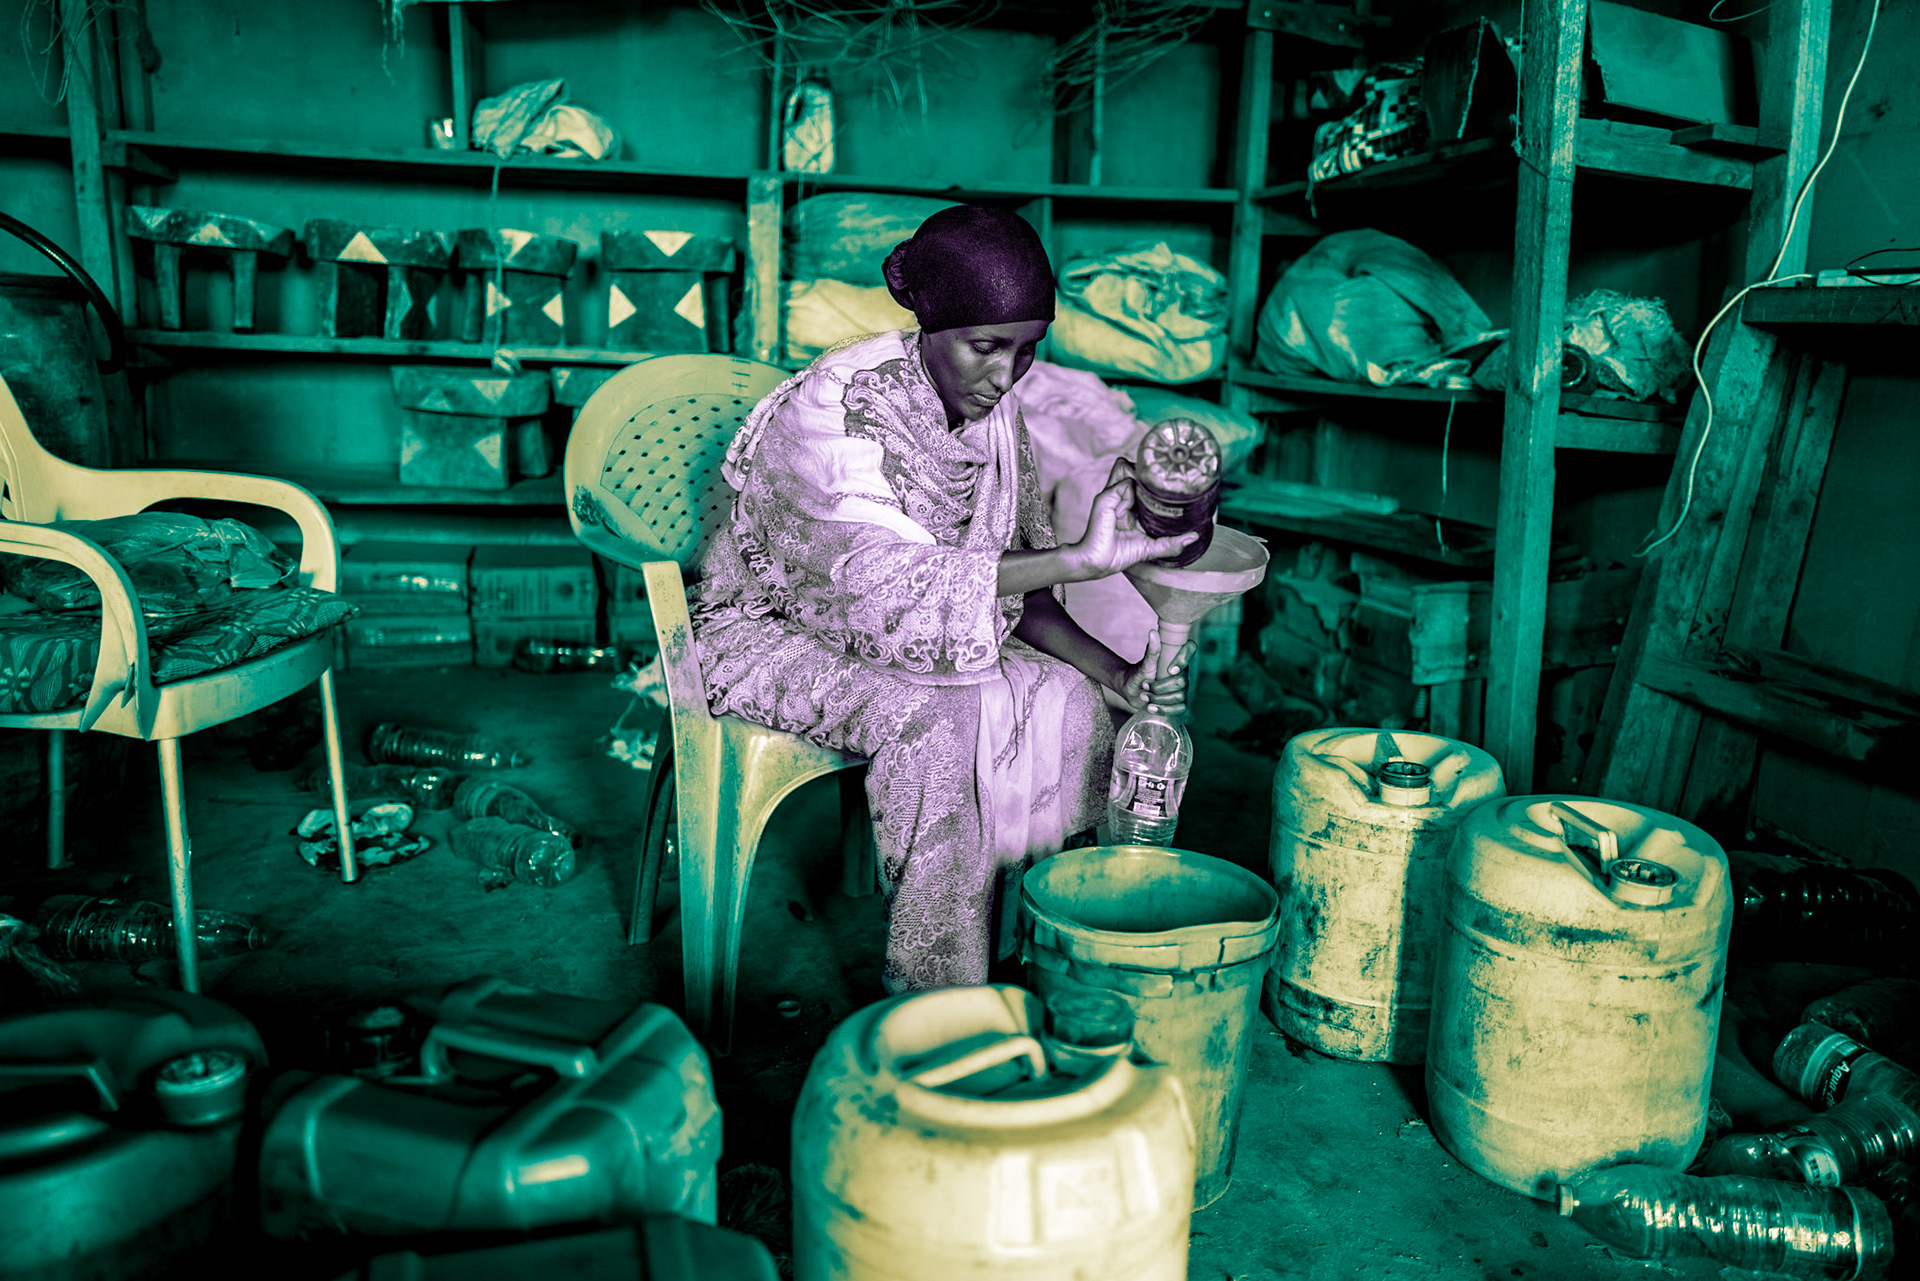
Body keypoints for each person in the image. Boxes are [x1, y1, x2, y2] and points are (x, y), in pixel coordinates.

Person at [691, 205, 1195, 992]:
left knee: (1073, 702)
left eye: (1027, 351)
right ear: (929, 324)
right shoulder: (833, 410)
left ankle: (1036, 956)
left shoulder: (998, 420)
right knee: (938, 721)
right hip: (769, 628)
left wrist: (1118, 672)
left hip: (907, 624)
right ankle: (936, 996)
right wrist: (1080, 556)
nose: (1006, 375)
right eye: (986, 347)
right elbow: (874, 587)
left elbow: (1013, 586)